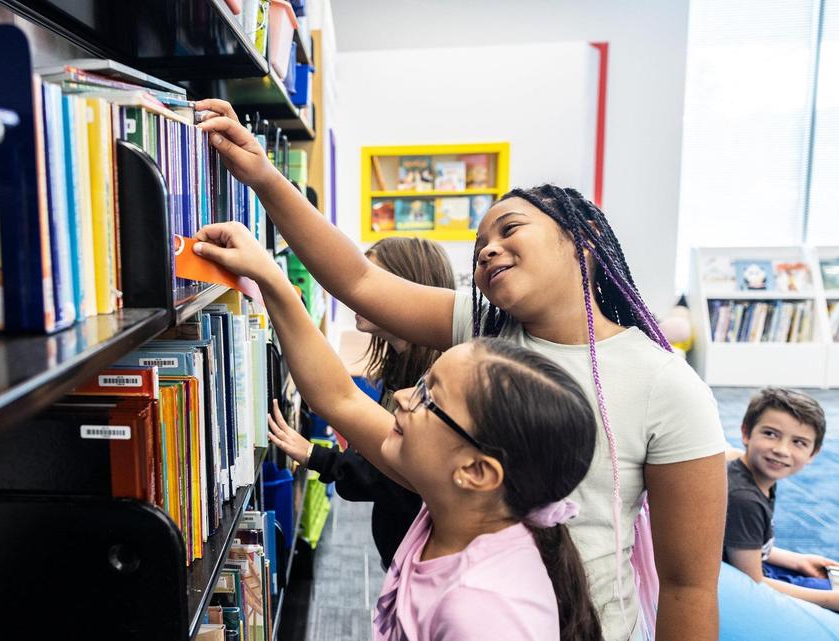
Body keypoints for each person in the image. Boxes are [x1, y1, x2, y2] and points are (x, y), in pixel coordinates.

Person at [193, 99, 728, 641]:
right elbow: (358, 283)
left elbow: (689, 586)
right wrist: (263, 177)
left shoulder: (667, 387)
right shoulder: (486, 330)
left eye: (509, 229)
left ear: (585, 239)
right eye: (478, 249)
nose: (488, 251)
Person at [201, 218, 603, 639]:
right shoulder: (453, 509)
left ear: (476, 472)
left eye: (430, 398)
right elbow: (340, 397)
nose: (406, 396)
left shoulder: (482, 611)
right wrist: (269, 276)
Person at [270, 236, 454, 570]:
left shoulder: (438, 382)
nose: (355, 292)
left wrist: (318, 457)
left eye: (372, 279)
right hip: (403, 554)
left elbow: (393, 471)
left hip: (422, 562)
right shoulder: (401, 367)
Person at [723, 387, 839, 611]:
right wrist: (831, 601)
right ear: (746, 433)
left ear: (813, 453)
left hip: (753, 568)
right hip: (742, 589)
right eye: (770, 434)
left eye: (798, 442)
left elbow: (742, 542)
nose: (781, 450)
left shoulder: (754, 476)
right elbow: (751, 584)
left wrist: (797, 560)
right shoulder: (744, 499)